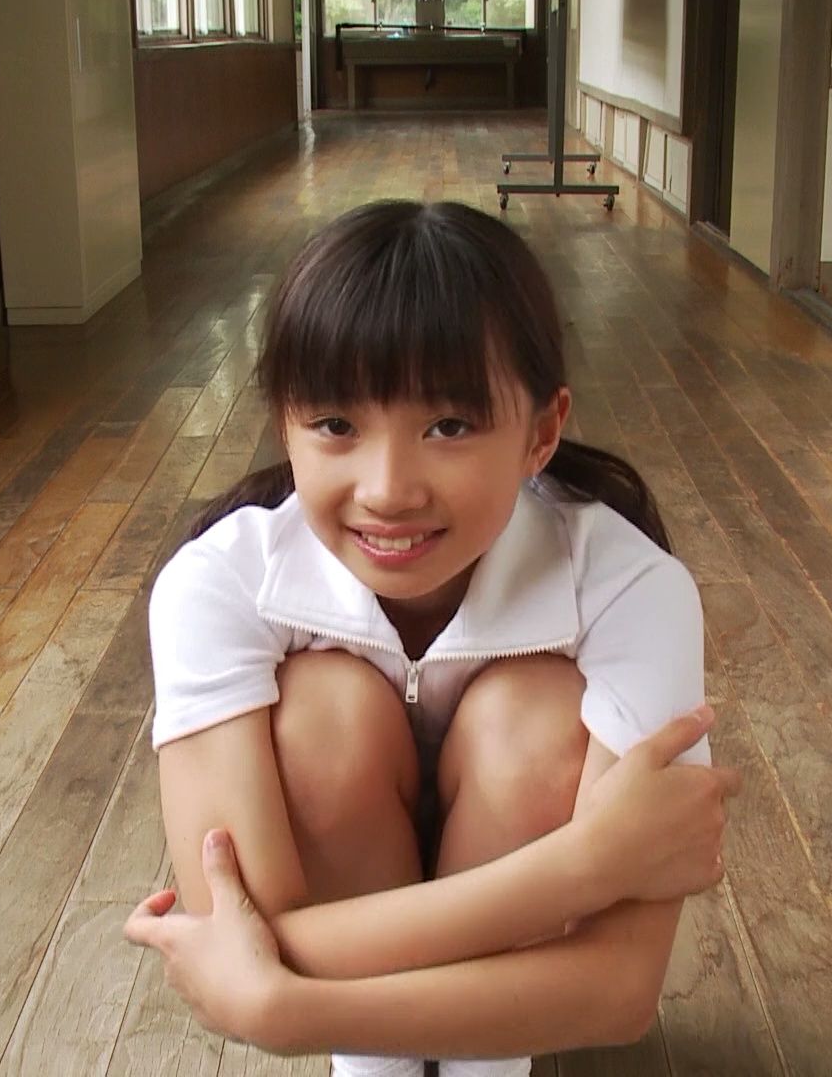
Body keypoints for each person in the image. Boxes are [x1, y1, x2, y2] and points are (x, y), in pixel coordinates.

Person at [124, 200, 743, 1077]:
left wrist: (285, 1007)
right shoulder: (218, 580)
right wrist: (584, 865)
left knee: (532, 719)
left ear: (541, 433)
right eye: (336, 425)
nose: (388, 490)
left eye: (448, 427)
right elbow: (242, 934)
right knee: (322, 711)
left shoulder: (631, 586)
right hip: (479, 911)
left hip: (462, 947)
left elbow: (619, 989)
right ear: (284, 423)